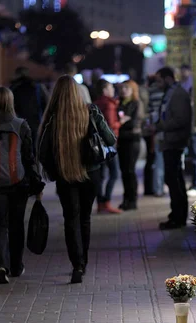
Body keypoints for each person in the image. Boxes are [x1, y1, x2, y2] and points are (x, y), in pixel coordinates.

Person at [38, 75, 116, 284]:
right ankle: (84, 262)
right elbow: (110, 139)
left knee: (70, 220)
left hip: (65, 175)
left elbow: (42, 152)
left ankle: (77, 264)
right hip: (91, 173)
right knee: (85, 219)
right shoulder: (90, 111)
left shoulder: (53, 118)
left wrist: (53, 173)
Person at [0, 87, 44, 284]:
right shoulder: (21, 125)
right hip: (18, 183)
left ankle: (0, 265)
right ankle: (16, 265)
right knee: (16, 224)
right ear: (11, 102)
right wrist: (36, 182)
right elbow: (30, 158)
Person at [152, 67, 192, 230]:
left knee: (174, 179)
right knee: (174, 178)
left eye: (160, 80)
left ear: (168, 78)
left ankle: (178, 216)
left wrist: (161, 126)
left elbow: (181, 119)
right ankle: (176, 214)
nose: (158, 84)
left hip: (175, 141)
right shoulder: (172, 93)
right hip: (170, 141)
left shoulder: (178, 94)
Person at [93, 79, 123, 214]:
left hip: (98, 144)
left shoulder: (96, 102)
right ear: (105, 89)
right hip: (109, 143)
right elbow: (110, 126)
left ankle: (100, 203)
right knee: (115, 173)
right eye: (111, 87)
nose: (113, 90)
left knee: (101, 175)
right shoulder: (109, 104)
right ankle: (107, 201)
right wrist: (120, 122)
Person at [117, 80, 143, 210]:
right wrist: (123, 120)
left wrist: (123, 122)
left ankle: (132, 200)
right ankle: (126, 199)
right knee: (124, 172)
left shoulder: (136, 103)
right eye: (122, 88)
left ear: (133, 90)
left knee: (130, 171)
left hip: (133, 141)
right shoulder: (119, 103)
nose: (123, 90)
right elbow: (115, 121)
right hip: (121, 141)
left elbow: (133, 123)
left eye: (126, 88)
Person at [10, 67, 48, 149]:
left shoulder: (13, 88)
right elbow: (46, 102)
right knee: (35, 146)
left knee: (21, 148)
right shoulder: (37, 86)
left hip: (19, 121)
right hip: (36, 121)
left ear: (18, 75)